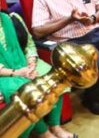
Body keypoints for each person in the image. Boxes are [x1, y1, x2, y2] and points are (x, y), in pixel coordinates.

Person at [0, 8, 76, 137]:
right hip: (4, 73)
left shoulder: (12, 18)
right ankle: (44, 132)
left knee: (56, 77)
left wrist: (31, 63)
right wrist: (17, 72)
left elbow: (29, 44)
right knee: (26, 91)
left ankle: (55, 126)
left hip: (24, 62)